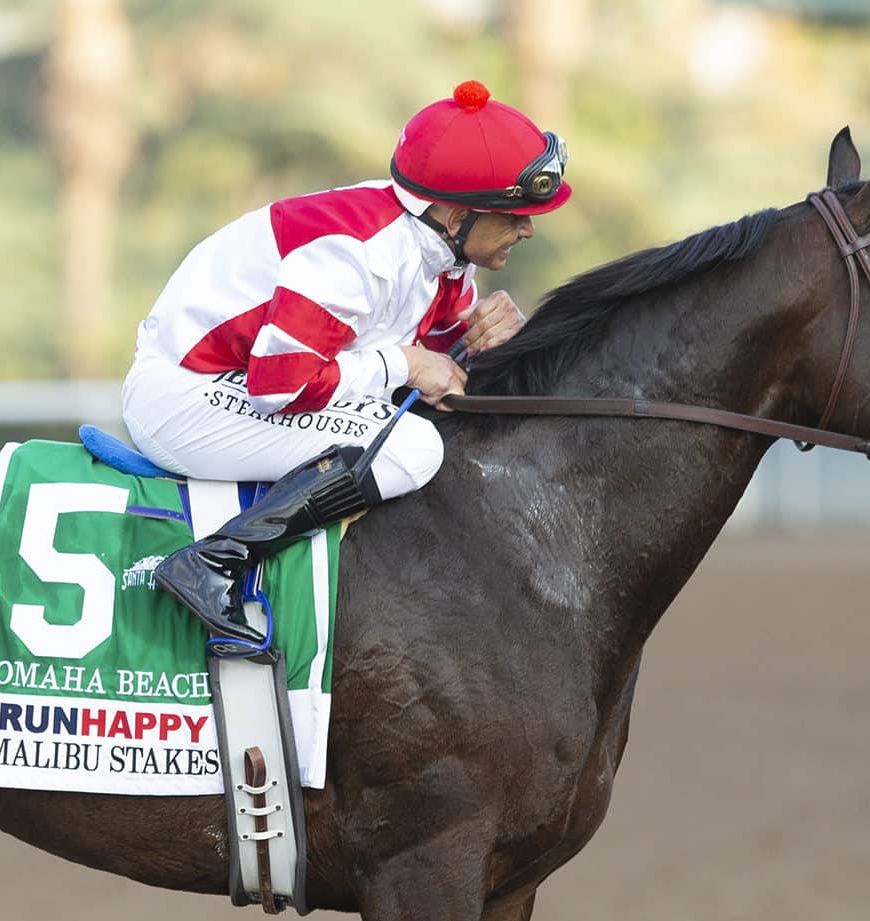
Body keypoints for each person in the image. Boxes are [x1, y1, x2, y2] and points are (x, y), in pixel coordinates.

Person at [127, 80, 572, 653]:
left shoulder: (441, 251)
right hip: (188, 395)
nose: (528, 228)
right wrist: (406, 364)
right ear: (459, 213)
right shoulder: (353, 253)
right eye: (515, 215)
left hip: (242, 381)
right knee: (412, 449)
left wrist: (491, 335)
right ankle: (213, 560)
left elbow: (448, 364)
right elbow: (279, 388)